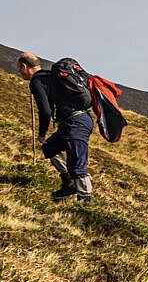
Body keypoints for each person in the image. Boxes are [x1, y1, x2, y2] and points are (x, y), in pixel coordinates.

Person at [17, 52, 94, 201]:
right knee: (50, 147)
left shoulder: (37, 81)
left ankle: (85, 203)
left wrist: (42, 133)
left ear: (24, 66)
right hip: (77, 120)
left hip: (75, 123)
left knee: (77, 164)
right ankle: (69, 182)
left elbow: (45, 111)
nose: (19, 72)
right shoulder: (50, 75)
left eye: (19, 68)